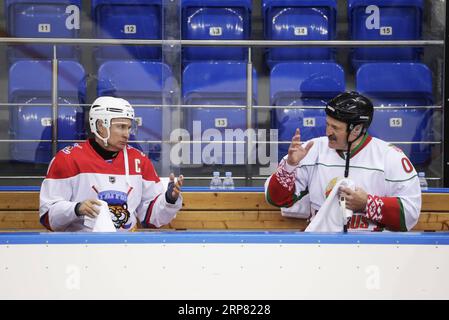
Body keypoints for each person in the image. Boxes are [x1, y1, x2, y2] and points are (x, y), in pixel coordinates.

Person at [265, 91, 421, 232]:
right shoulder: (311, 150)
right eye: (327, 124)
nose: (328, 132)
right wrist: (289, 167)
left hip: (372, 250)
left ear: (357, 129)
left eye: (335, 127)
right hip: (320, 246)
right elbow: (277, 199)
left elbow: (410, 214)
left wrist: (367, 204)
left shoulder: (390, 157)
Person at [39, 96, 183, 231]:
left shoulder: (139, 161)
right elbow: (48, 216)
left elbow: (151, 217)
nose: (127, 134)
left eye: (128, 127)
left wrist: (169, 200)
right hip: (82, 247)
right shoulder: (67, 159)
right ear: (100, 126)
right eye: (121, 127)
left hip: (127, 248)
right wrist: (76, 209)